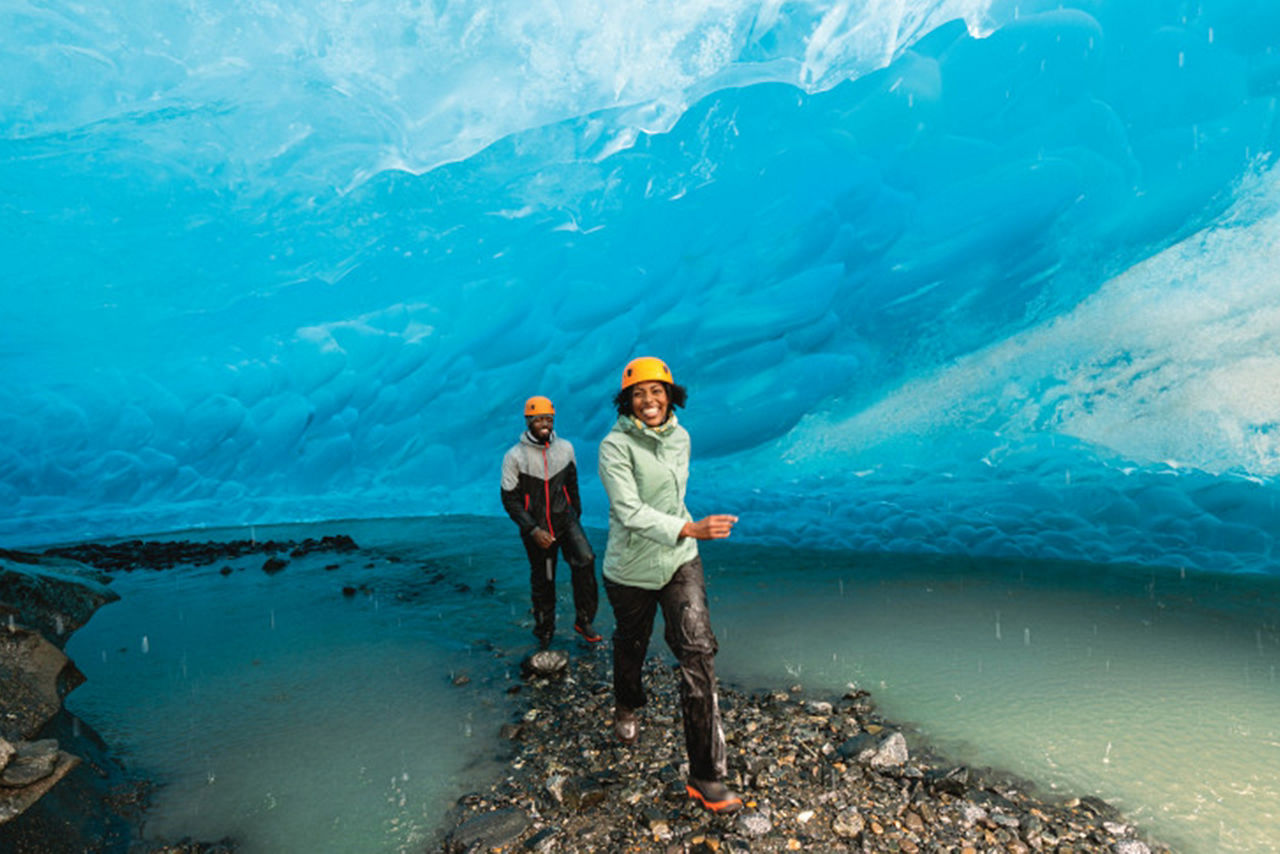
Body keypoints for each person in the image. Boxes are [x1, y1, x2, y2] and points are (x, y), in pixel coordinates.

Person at [597, 356, 744, 814]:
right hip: (632, 569)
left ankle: (705, 775)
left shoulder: (681, 437)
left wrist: (688, 533)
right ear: (627, 402)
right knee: (632, 645)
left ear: (669, 394)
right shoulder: (613, 447)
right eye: (638, 394)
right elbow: (628, 511)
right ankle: (626, 704)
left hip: (681, 560)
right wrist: (689, 529)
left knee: (698, 651)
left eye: (656, 391)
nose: (649, 400)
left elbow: (672, 496)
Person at [501, 395, 601, 648]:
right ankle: (544, 630)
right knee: (544, 579)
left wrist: (573, 517)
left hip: (565, 521)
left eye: (548, 419)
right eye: (538, 419)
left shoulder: (565, 448)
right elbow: (510, 500)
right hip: (536, 528)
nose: (544, 424)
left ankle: (584, 620)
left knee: (586, 560)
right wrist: (533, 529)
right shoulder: (514, 456)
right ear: (528, 421)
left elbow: (572, 484)